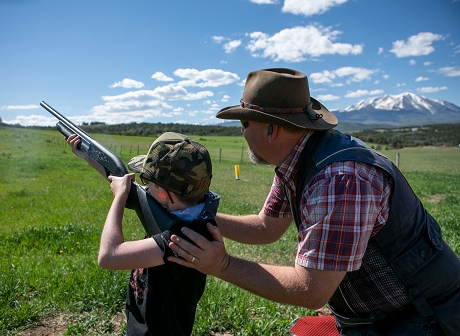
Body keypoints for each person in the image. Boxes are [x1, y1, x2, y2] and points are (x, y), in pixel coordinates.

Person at [167, 68, 460, 335]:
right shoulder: (298, 159)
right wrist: (196, 213)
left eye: (244, 122)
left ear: (272, 129)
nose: (241, 132)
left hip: (423, 318)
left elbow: (311, 291)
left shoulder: (339, 179)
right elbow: (266, 227)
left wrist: (222, 265)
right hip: (379, 316)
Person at [66, 132, 219, 336]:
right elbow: (131, 188)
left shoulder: (182, 239)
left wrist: (119, 197)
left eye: (146, 180)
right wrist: (88, 155)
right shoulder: (196, 215)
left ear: (165, 195)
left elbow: (108, 256)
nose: (142, 186)